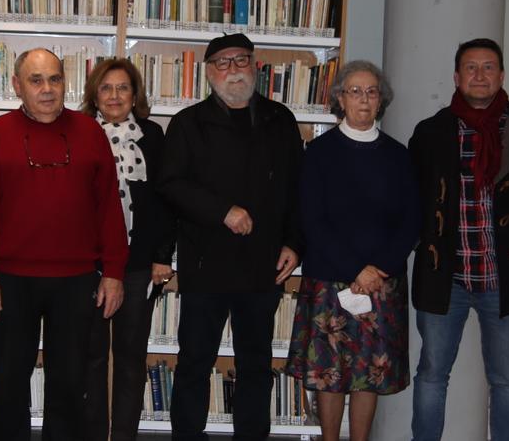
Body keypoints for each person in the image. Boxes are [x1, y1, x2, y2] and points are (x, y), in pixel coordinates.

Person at [0, 48, 129, 440]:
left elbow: (109, 207)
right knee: (9, 384)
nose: (47, 89)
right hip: (10, 281)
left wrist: (115, 273)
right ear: (17, 86)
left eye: (55, 79)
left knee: (70, 383)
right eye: (36, 80)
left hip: (76, 280)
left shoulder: (90, 133)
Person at [159, 33, 303, 441]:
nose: (233, 69)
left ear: (255, 66)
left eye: (241, 60)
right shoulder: (188, 123)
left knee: (256, 365)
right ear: (208, 73)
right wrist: (222, 211)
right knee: (194, 364)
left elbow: (298, 188)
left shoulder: (281, 120)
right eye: (222, 62)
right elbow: (171, 185)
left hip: (263, 267)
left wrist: (295, 243)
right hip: (206, 265)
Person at [285, 60, 419, 441]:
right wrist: (356, 269)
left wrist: (379, 269)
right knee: (331, 375)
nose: (364, 99)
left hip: (383, 283)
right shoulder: (319, 153)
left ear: (381, 101)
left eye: (372, 92)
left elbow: (411, 221)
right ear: (340, 98)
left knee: (368, 375)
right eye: (355, 91)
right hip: (331, 278)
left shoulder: (399, 155)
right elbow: (313, 220)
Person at [407, 38, 509, 441]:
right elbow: (412, 202)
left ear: (502, 76)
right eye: (471, 68)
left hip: (505, 280)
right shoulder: (431, 132)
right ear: (457, 77)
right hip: (447, 277)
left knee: (508, 379)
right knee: (431, 374)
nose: (479, 75)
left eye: (488, 67)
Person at [78, 59, 176, 441]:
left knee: (132, 359)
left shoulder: (153, 137)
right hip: (88, 265)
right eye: (106, 88)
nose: (115, 96)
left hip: (138, 266)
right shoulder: (81, 134)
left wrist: (162, 257)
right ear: (94, 96)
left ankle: (123, 436)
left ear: (135, 95)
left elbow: (165, 203)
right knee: (92, 358)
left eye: (123, 88)